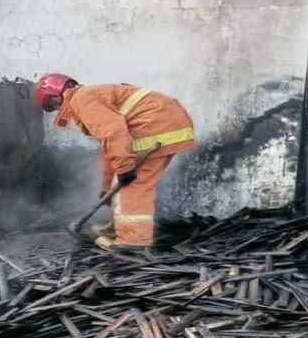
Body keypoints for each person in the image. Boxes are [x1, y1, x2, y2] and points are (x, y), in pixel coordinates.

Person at [36, 73, 196, 250]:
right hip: (162, 124)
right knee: (121, 182)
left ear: (56, 95)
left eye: (52, 104)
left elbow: (113, 133)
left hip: (155, 126)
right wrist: (106, 187)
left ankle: (134, 240)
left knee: (132, 186)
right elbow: (110, 149)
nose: (56, 108)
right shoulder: (88, 97)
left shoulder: (82, 100)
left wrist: (124, 168)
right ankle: (117, 227)